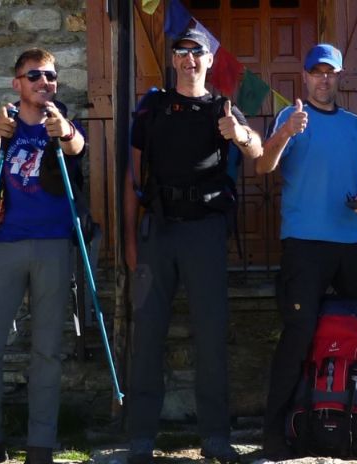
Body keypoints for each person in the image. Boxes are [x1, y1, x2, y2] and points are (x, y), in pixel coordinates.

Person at [255, 44, 357, 460]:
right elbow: (263, 165)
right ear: (306, 77)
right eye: (317, 72)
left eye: (330, 72)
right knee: (298, 333)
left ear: (340, 77)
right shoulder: (290, 117)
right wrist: (285, 133)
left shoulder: (351, 125)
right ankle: (275, 434)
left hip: (352, 244)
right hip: (304, 245)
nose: (324, 79)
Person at [122, 27, 263, 464]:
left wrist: (238, 133)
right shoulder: (152, 108)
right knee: (147, 334)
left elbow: (257, 151)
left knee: (211, 335)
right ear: (173, 60)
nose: (188, 60)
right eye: (181, 52)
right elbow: (132, 177)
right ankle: (140, 438)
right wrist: (129, 241)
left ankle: (215, 437)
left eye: (196, 52)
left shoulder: (223, 108)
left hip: (204, 232)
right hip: (158, 232)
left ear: (209, 59)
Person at [0, 48, 86, 464]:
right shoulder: (5, 122)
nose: (44, 82)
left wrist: (64, 131)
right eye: (34, 76)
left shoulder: (62, 122)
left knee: (47, 350)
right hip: (6, 245)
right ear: (17, 83)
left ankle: (40, 446)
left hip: (54, 245)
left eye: (50, 76)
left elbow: (76, 146)